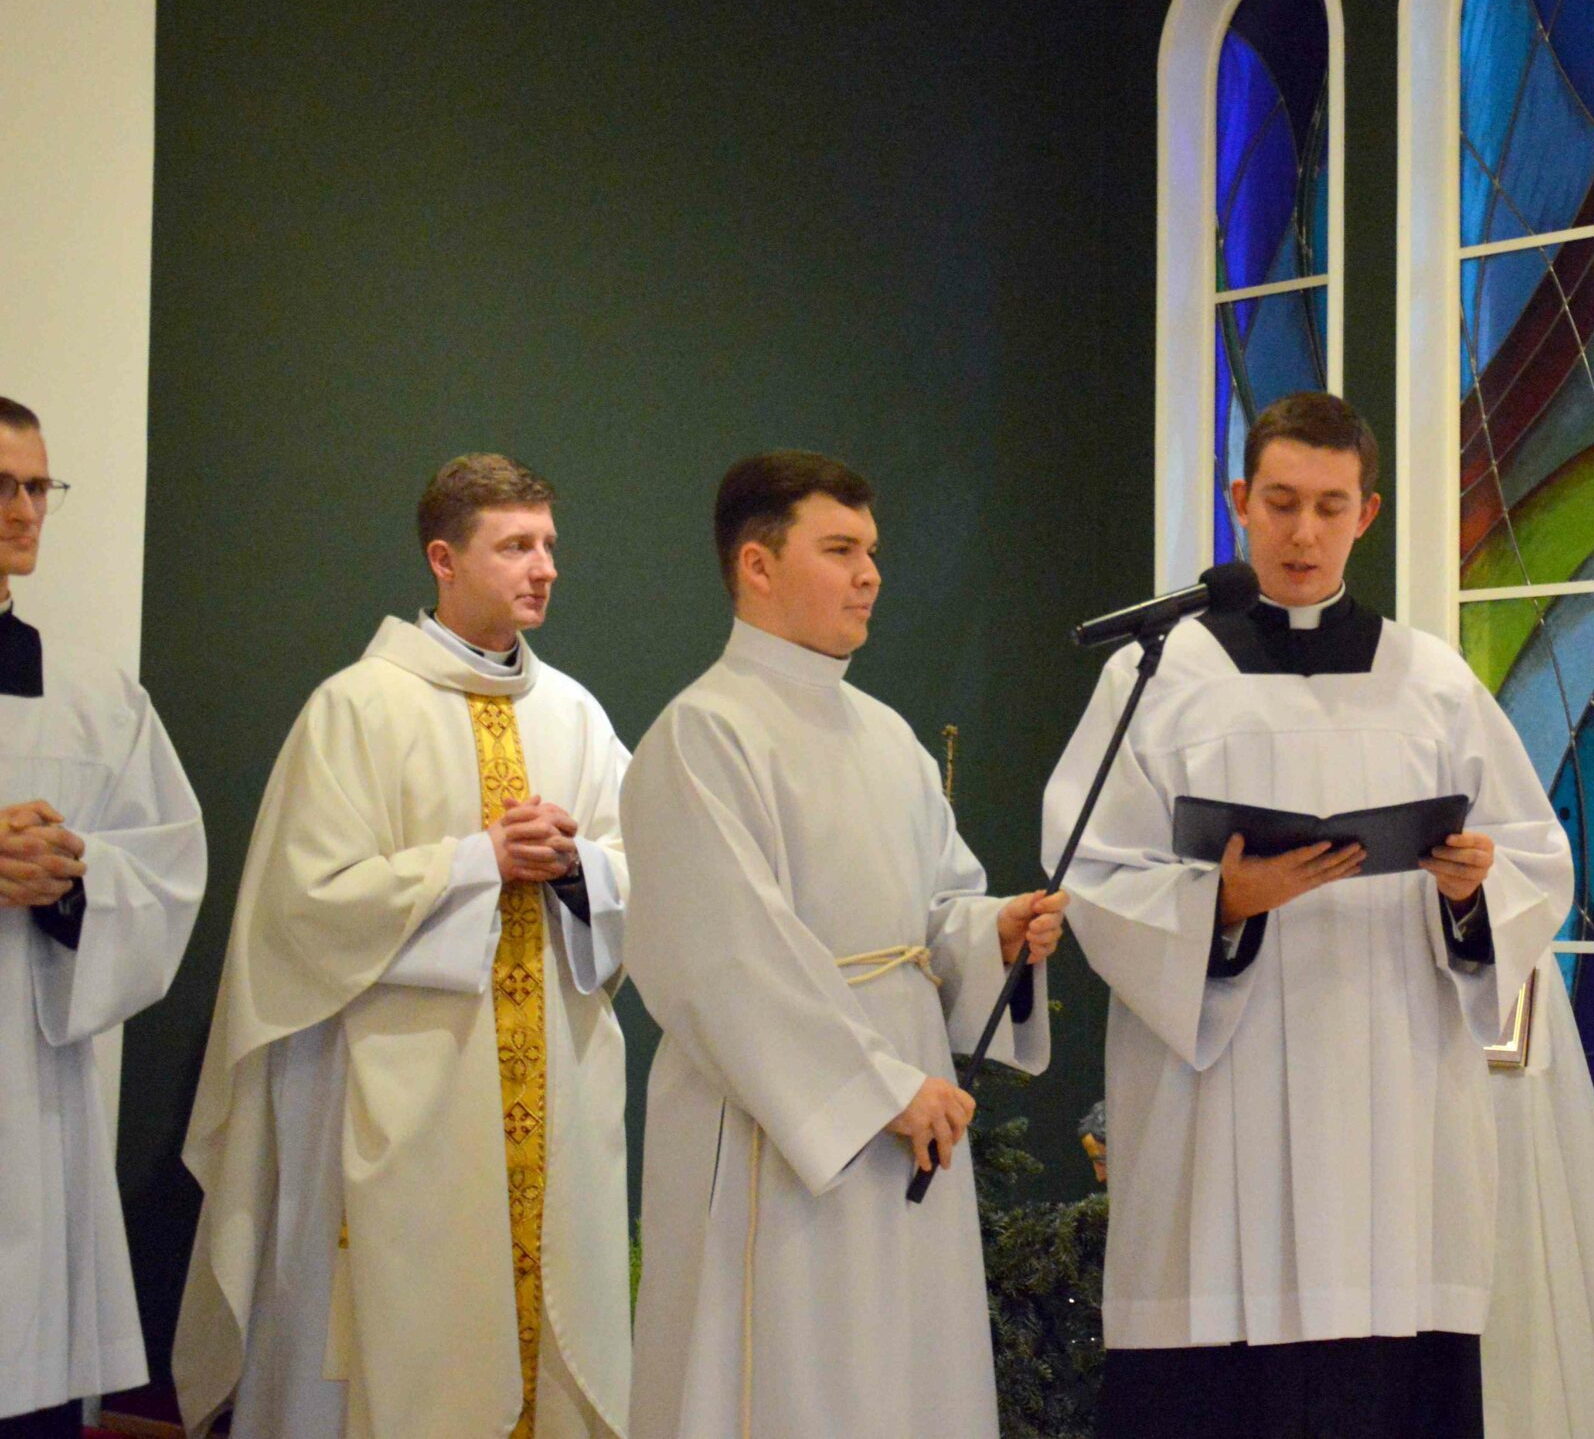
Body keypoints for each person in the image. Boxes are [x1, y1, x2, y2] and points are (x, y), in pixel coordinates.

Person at [1050, 390, 1572, 1439]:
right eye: (1281, 502)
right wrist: (1221, 905)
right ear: (1238, 500)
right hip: (1218, 1109)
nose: (1302, 533)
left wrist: (1470, 892)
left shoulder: (1430, 682)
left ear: (1365, 515)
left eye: (1330, 507)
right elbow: (1091, 871)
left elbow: (1532, 860)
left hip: (1394, 1100)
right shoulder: (1155, 677)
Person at [175, 454, 634, 1439]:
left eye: (549, 545)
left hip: (552, 1090)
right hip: (393, 1091)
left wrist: (576, 869)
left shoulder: (576, 716)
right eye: (516, 546)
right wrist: (478, 861)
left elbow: (648, 872)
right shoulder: (357, 707)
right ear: (443, 558)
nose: (544, 567)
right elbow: (303, 907)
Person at [620, 451, 1064, 1439]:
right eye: (840, 550)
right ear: (757, 565)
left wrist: (990, 934)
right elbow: (726, 961)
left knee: (905, 1384)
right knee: (793, 1383)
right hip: (784, 1134)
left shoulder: (886, 735)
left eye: (872, 552)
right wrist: (878, 1090)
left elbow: (932, 914)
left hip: (909, 1110)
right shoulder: (703, 734)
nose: (870, 575)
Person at [0, 398, 206, 1439]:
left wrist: (75, 878)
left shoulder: (93, 697)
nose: (26, 508)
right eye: (3, 485)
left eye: (40, 485)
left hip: (28, 1112)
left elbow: (168, 869)